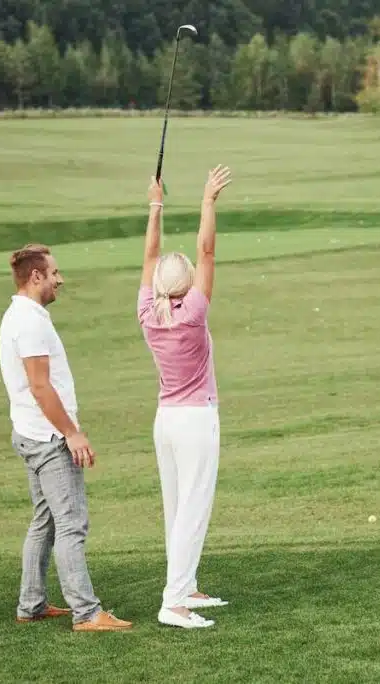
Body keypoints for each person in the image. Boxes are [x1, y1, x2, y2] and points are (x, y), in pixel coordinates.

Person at [0, 243, 132, 632]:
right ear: (36, 276)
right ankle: (87, 613)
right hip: (48, 439)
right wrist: (72, 434)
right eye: (54, 272)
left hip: (29, 434)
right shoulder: (30, 321)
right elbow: (40, 388)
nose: (60, 279)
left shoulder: (20, 315)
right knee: (71, 523)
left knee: (45, 521)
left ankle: (31, 604)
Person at [136, 165, 233, 629]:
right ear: (186, 283)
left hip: (166, 423)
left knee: (177, 506)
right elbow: (207, 248)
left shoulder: (146, 311)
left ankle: (187, 584)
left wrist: (156, 203)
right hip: (195, 422)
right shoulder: (193, 311)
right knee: (193, 508)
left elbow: (151, 252)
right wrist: (208, 200)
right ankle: (174, 603)